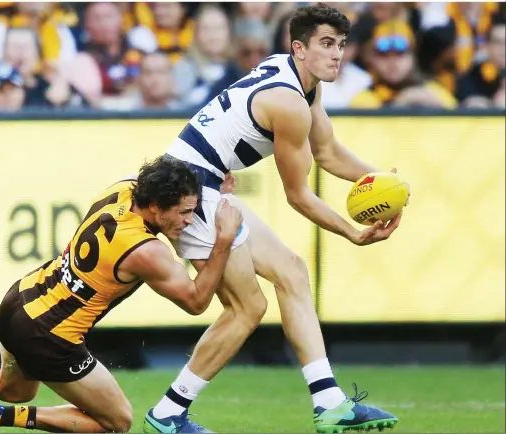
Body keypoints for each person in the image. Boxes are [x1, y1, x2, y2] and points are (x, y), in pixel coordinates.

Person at [143, 4, 405, 434]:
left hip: (201, 185)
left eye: (340, 45)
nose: (336, 54)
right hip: (188, 194)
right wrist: (352, 233)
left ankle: (330, 403)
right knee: (247, 309)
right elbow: (298, 196)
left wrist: (381, 181)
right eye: (325, 44)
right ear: (298, 48)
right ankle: (170, 411)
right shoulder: (288, 103)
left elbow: (328, 153)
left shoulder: (302, 83)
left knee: (293, 272)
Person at [0, 156, 243, 434]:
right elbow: (196, 301)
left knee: (15, 386)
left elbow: (167, 196)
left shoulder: (122, 189)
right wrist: (223, 239)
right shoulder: (148, 252)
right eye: (185, 213)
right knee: (117, 421)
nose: (189, 221)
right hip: (50, 337)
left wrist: (207, 192)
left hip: (20, 300)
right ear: (156, 206)